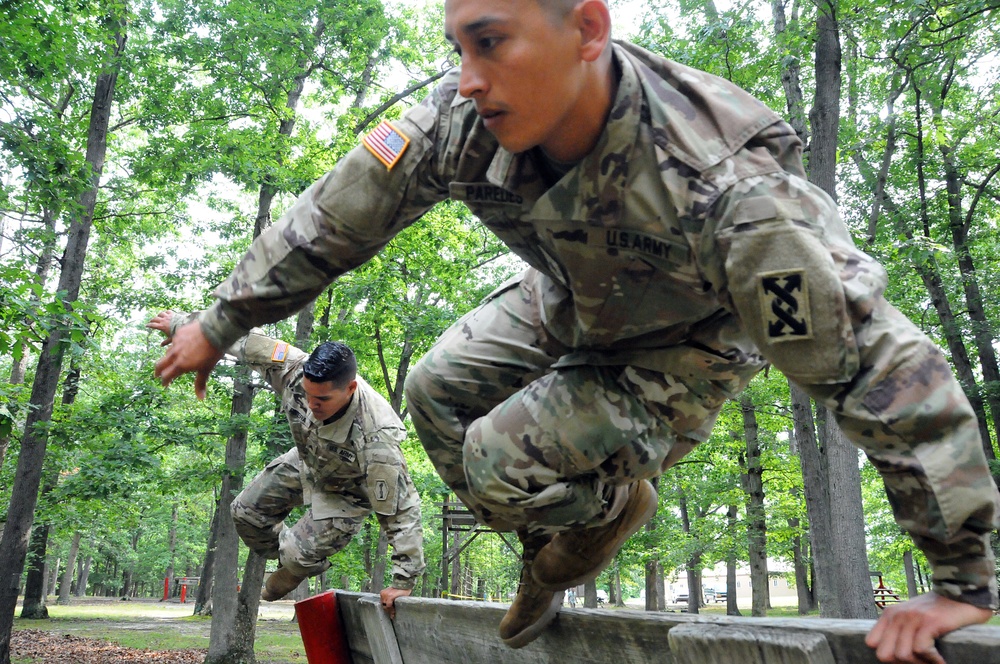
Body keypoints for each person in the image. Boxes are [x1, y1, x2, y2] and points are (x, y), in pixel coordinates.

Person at [153, 0, 1000, 659]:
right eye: (458, 48)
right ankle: (554, 549)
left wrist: (963, 578)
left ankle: (591, 527)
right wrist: (223, 321)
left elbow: (880, 368)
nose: (468, 77)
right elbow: (339, 212)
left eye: (492, 43)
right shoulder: (460, 116)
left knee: (494, 457)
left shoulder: (726, 189)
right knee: (431, 390)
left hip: (685, 341)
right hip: (565, 295)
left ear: (588, 29)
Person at [149, 311, 424, 617]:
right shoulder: (292, 366)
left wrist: (404, 579)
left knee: (279, 581)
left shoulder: (377, 437)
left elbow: (402, 509)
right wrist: (182, 327)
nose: (311, 404)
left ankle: (296, 560)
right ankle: (291, 552)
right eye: (307, 394)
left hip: (348, 492)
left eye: (322, 399)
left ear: (350, 389)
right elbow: (241, 339)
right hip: (308, 460)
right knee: (244, 513)